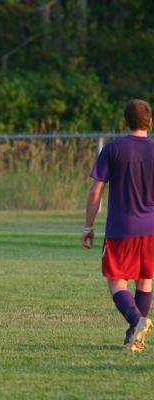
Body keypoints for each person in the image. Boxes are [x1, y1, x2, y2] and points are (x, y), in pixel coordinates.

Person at [82, 99, 154, 352]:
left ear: (125, 121)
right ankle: (135, 337)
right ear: (150, 121)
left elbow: (95, 192)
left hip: (122, 229)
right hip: (151, 229)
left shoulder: (113, 149)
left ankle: (137, 321)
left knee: (116, 281)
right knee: (145, 279)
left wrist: (88, 226)